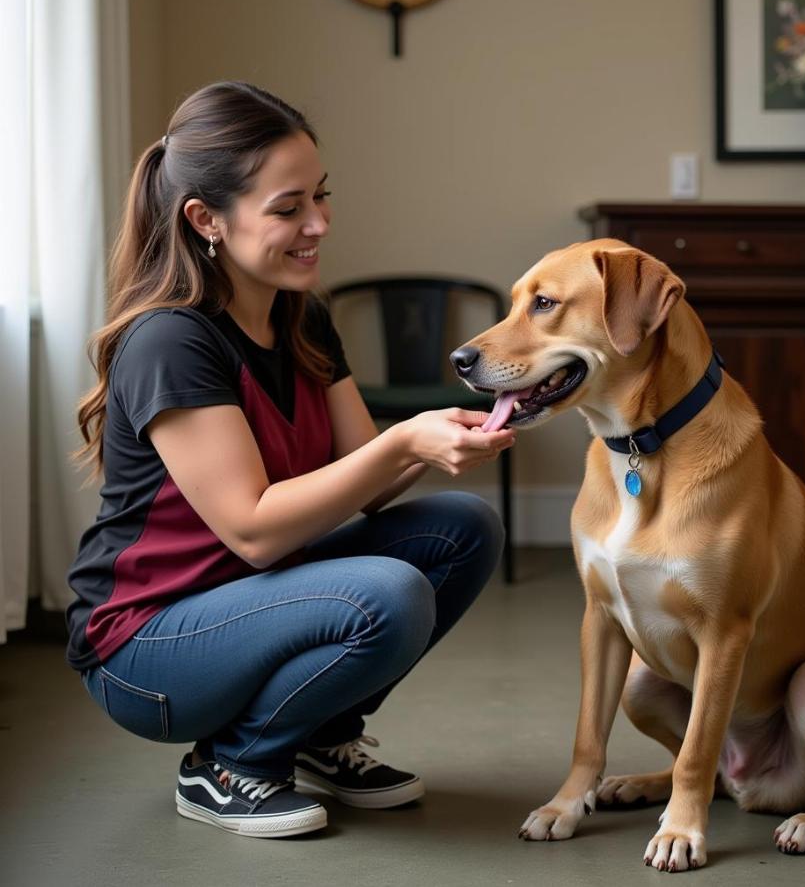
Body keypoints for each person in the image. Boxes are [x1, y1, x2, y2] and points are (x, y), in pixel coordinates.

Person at [66, 81, 514, 839]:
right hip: (146, 649)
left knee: (465, 527)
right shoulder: (172, 341)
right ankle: (232, 763)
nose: (319, 223)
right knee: (389, 593)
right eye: (288, 208)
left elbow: (364, 481)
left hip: (256, 598)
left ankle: (315, 735)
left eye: (321, 197)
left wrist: (450, 432)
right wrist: (404, 441)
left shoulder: (301, 313)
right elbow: (256, 531)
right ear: (207, 220)